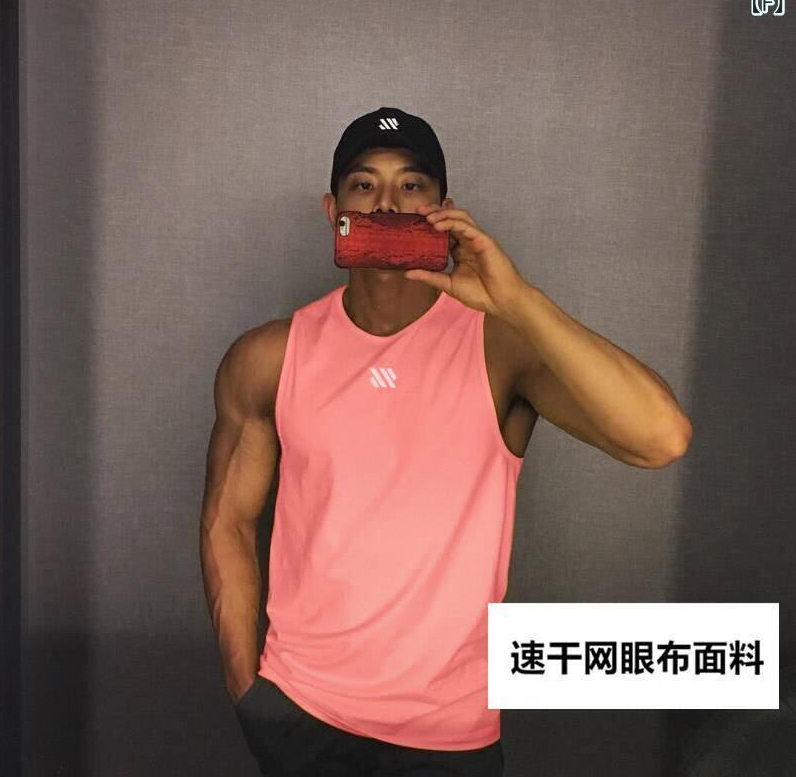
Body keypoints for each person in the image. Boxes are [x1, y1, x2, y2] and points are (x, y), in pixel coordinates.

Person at [199, 106, 693, 776]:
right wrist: (248, 693)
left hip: (448, 737)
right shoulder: (269, 357)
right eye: (364, 185)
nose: (388, 203)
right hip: (301, 713)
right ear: (333, 210)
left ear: (444, 211)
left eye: (412, 186)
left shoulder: (501, 349)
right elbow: (228, 519)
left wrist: (517, 300)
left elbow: (661, 437)